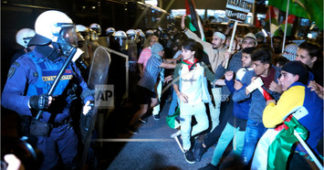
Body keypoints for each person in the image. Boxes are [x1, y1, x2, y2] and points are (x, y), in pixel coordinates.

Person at [1, 10, 94, 170]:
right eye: (67, 33)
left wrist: (88, 99)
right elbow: (6, 98)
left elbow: (82, 85)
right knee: (48, 166)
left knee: (73, 163)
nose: (71, 37)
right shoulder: (25, 63)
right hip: (41, 131)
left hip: (67, 128)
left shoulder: (68, 61)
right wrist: (32, 101)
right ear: (54, 33)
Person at [251, 61, 323, 170]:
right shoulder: (310, 90)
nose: (280, 79)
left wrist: (270, 103)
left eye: (284, 75)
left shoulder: (296, 91)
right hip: (313, 152)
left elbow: (269, 121)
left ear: (296, 77)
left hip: (301, 153)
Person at [199, 47, 255, 169]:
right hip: (235, 112)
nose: (242, 60)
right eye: (242, 57)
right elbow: (235, 93)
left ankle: (234, 167)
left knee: (238, 146)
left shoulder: (255, 76)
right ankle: (213, 164)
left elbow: (250, 98)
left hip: (246, 117)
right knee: (224, 138)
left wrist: (242, 89)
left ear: (254, 59)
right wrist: (229, 81)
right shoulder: (241, 72)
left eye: (246, 57)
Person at [232, 48, 281, 166]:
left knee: (266, 154)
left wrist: (280, 90)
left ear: (267, 65)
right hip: (254, 119)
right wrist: (250, 87)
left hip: (273, 122)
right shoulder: (250, 75)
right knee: (247, 152)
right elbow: (236, 97)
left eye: (257, 65)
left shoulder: (279, 74)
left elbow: (289, 97)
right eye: (253, 64)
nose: (254, 67)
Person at [172, 39, 217, 164]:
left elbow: (213, 79)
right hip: (185, 103)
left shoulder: (201, 66)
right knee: (186, 128)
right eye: (182, 50)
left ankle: (184, 135)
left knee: (205, 125)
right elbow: (174, 82)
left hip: (198, 102)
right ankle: (187, 148)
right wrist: (179, 93)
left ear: (193, 52)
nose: (182, 53)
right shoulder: (180, 66)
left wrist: (229, 79)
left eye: (185, 51)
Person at [128, 42, 174, 134]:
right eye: (162, 50)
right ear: (158, 52)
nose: (164, 52)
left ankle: (140, 114)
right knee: (144, 109)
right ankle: (131, 125)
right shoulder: (153, 58)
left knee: (155, 102)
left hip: (150, 87)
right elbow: (165, 65)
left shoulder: (157, 58)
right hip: (144, 86)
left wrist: (177, 59)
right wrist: (181, 65)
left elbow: (166, 61)